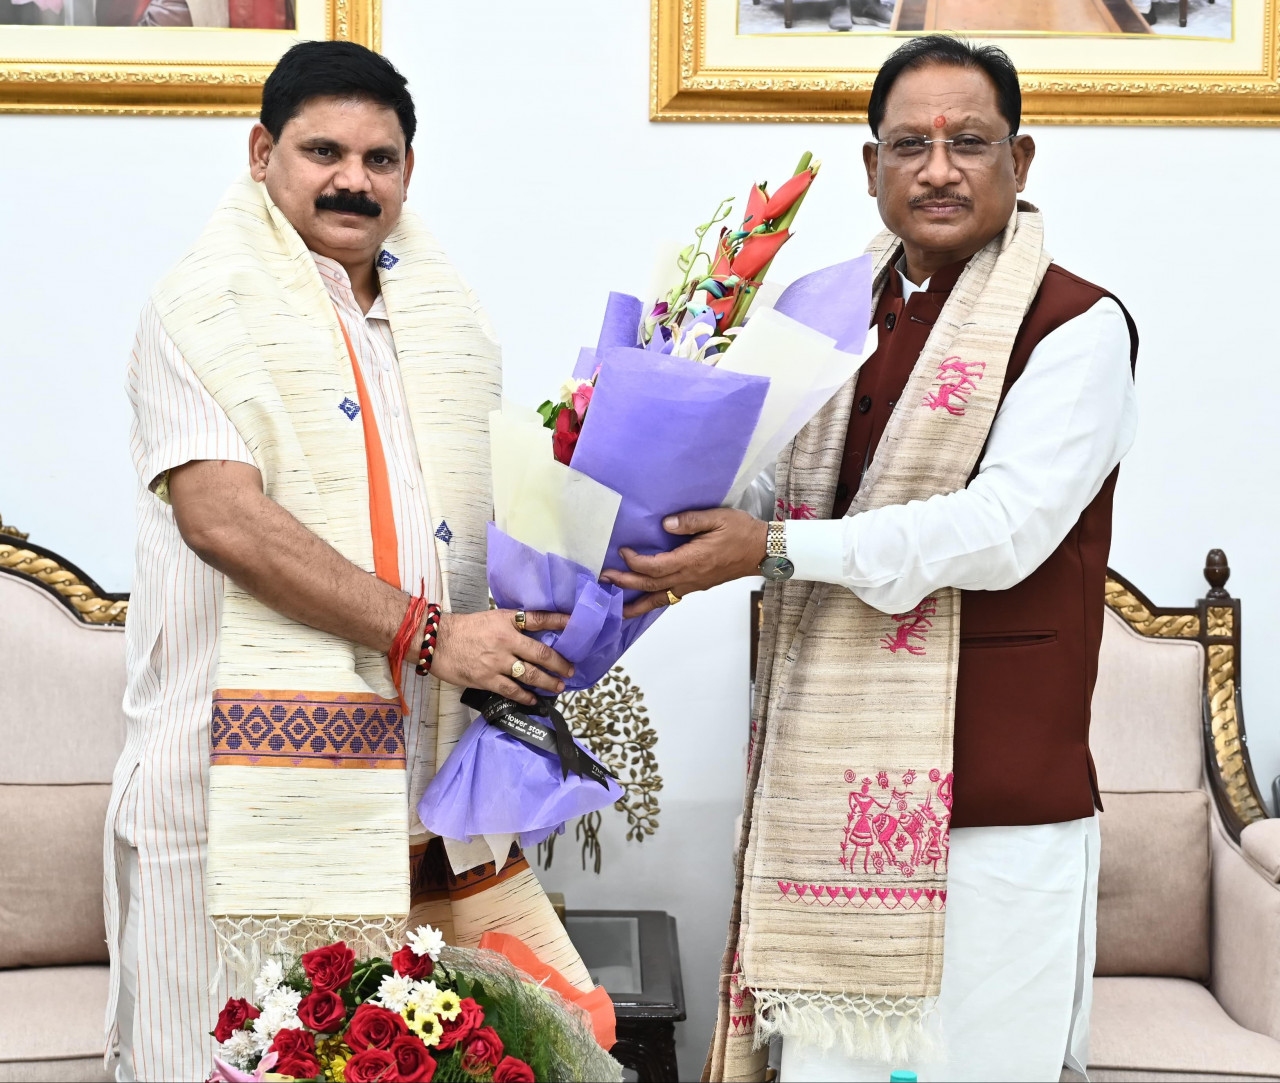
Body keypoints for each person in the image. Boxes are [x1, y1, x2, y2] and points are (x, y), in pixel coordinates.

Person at [604, 35, 1138, 1083]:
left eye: (968, 142)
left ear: (1018, 162)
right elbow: (772, 483)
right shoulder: (828, 311)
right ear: (870, 168)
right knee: (826, 1068)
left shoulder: (1075, 326)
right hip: (828, 791)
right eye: (909, 144)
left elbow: (999, 529)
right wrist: (634, 494)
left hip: (993, 801)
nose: (937, 168)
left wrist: (774, 548)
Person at [104, 40, 590, 1082]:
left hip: (408, 784)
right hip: (227, 787)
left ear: (408, 173)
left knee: (379, 1059)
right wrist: (428, 635)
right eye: (323, 150)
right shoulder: (199, 310)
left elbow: (469, 521)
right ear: (260, 153)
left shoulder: (445, 319)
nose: (352, 180)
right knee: (207, 1059)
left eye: (380, 158)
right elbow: (223, 520)